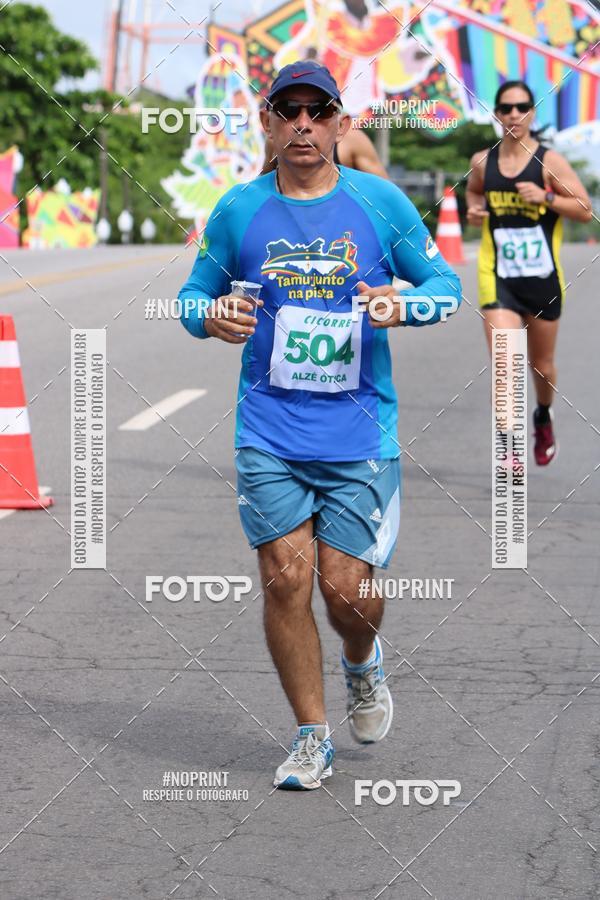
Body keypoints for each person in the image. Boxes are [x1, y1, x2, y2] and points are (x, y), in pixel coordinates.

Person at [179, 60, 461, 790]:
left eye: (318, 111)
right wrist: (211, 318)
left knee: (346, 592)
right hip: (269, 429)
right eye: (288, 111)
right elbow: (190, 297)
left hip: (359, 433)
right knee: (284, 580)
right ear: (268, 123)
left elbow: (447, 286)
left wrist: (406, 305)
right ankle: (312, 736)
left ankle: (362, 664)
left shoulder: (380, 203)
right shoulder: (239, 210)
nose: (303, 124)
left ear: (340, 123)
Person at [466, 80, 592, 465]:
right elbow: (473, 191)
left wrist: (548, 197)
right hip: (498, 276)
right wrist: (474, 210)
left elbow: (585, 209)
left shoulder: (548, 162)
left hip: (542, 281)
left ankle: (542, 413)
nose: (514, 115)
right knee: (505, 361)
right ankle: (509, 447)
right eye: (506, 108)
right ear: (496, 114)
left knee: (542, 366)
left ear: (532, 112)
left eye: (522, 107)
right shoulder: (482, 162)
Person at [261, 125, 390, 178]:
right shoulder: (275, 141)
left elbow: (386, 196)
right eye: (292, 108)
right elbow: (262, 186)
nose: (304, 122)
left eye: (316, 109)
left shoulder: (352, 140)